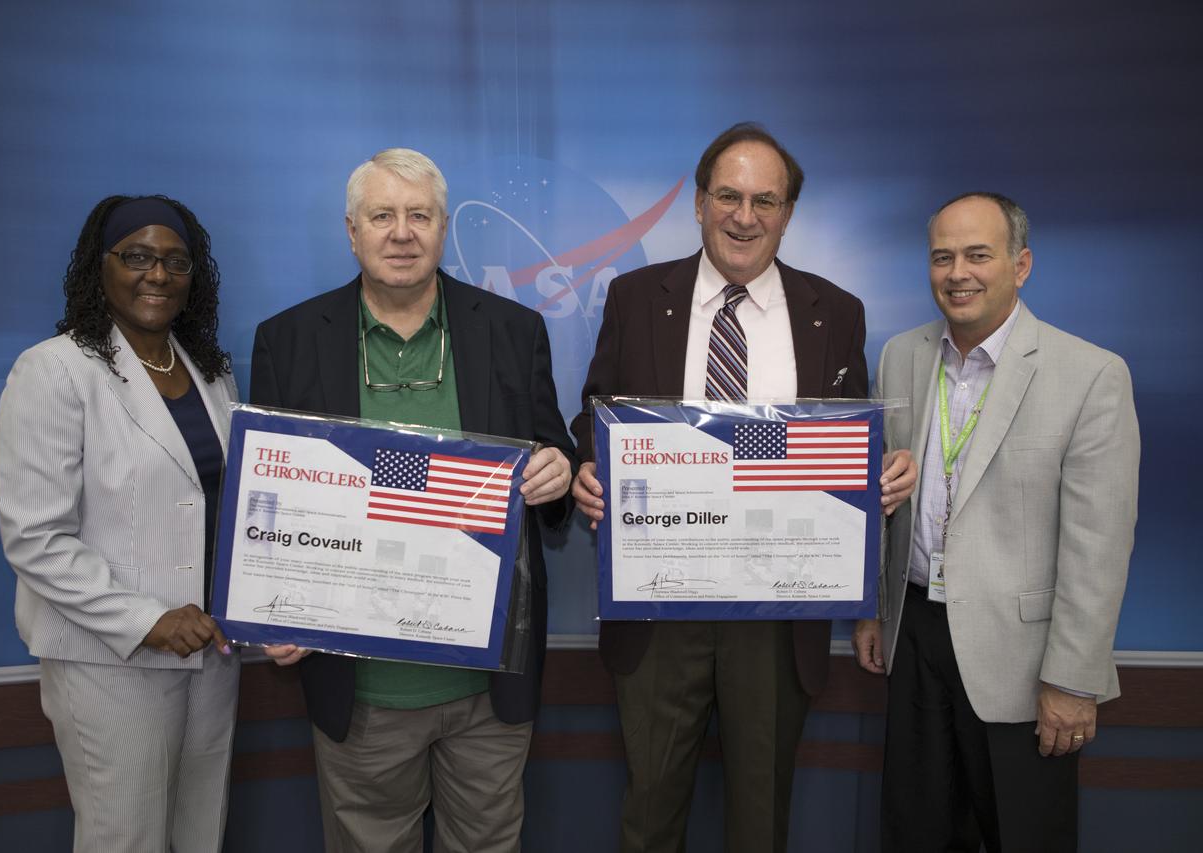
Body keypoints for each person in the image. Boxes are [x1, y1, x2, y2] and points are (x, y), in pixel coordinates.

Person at [569, 122, 916, 853]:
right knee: (649, 815)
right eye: (728, 196)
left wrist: (875, 473)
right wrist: (590, 467)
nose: (744, 216)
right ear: (699, 203)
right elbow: (596, 414)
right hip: (658, 606)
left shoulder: (835, 312)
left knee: (761, 821)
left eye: (765, 200)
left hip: (777, 612)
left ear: (788, 213)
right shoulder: (635, 297)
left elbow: (849, 441)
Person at [250, 148, 576, 853]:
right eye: (382, 216)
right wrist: (273, 606)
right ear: (352, 231)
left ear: (443, 227)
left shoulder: (513, 330)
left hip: (487, 688)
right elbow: (270, 498)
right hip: (362, 691)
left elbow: (553, 458)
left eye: (419, 215)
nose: (402, 233)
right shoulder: (289, 340)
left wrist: (558, 472)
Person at [852, 192, 1140, 852]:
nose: (958, 273)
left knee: (1025, 835)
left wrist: (1072, 680)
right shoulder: (901, 355)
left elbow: (1099, 547)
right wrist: (873, 610)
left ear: (1021, 265)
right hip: (915, 636)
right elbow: (881, 500)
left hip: (1024, 662)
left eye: (978, 255)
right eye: (942, 257)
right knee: (915, 832)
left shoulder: (1090, 374)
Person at [0, 195, 239, 851]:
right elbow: (34, 538)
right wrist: (149, 620)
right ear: (98, 265)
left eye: (176, 261)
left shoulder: (212, 375)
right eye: (137, 256)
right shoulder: (55, 370)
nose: (157, 274)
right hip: (110, 661)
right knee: (124, 839)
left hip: (211, 651)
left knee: (200, 832)